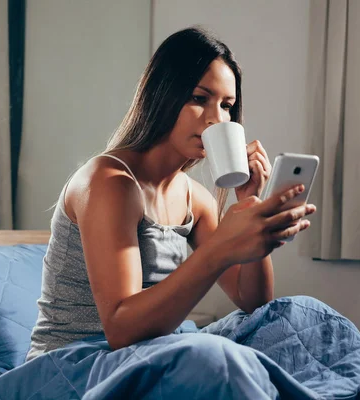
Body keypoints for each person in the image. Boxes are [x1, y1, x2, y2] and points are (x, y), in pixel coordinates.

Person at [26, 26, 316, 367]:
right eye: (199, 98)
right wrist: (220, 249)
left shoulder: (195, 198)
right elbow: (120, 330)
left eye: (227, 106)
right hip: (77, 362)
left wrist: (249, 204)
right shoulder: (109, 183)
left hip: (148, 354)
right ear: (162, 94)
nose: (216, 119)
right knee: (222, 361)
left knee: (298, 317)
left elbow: (254, 302)